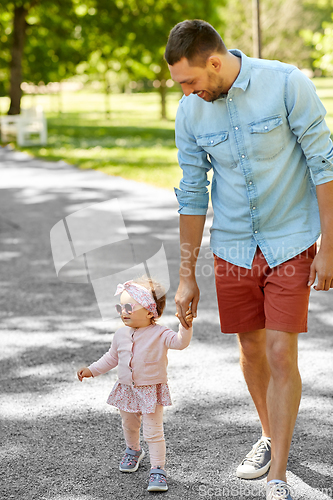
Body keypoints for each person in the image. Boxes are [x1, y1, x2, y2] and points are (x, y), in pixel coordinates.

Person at [164, 19, 333, 500]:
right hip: (233, 246)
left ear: (214, 63)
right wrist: (186, 279)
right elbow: (192, 192)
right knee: (252, 349)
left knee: (281, 351)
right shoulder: (190, 113)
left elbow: (326, 164)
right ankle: (268, 434)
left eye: (190, 81)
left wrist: (331, 247)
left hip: (290, 239)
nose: (187, 92)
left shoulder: (286, 83)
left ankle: (278, 473)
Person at [77, 276, 193, 493]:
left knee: (153, 432)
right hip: (127, 390)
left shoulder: (160, 334)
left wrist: (185, 326)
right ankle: (133, 450)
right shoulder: (120, 334)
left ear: (151, 311)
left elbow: (180, 343)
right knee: (129, 424)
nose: (123, 311)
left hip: (150, 390)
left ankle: (158, 469)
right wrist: (92, 370)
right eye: (120, 306)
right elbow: (111, 357)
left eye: (129, 306)